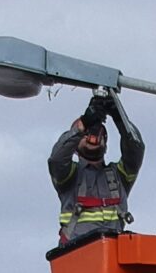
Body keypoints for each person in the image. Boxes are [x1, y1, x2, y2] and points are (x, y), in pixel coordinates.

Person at [48, 89, 144, 251]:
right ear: (76, 144)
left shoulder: (119, 176)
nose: (92, 137)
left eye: (97, 133)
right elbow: (57, 159)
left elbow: (136, 148)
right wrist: (83, 123)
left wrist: (119, 117)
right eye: (86, 133)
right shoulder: (69, 175)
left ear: (105, 142)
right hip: (77, 257)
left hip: (112, 261)